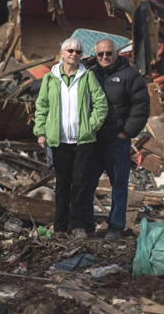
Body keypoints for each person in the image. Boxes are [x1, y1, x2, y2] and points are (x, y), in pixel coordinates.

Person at [34, 37, 108, 239]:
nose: (74, 54)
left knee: (81, 184)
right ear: (62, 54)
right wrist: (41, 131)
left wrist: (89, 127)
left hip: (82, 141)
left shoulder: (87, 76)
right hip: (59, 141)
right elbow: (42, 106)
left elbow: (101, 105)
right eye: (70, 51)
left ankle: (77, 226)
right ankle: (60, 227)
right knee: (62, 184)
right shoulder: (51, 78)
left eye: (78, 51)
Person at [89, 38, 150, 241]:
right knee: (86, 182)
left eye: (109, 53)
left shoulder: (130, 75)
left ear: (116, 53)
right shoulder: (90, 74)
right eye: (100, 54)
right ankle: (86, 224)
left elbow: (141, 106)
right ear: (95, 55)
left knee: (119, 185)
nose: (105, 57)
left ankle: (115, 227)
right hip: (93, 139)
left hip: (116, 141)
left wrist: (126, 132)